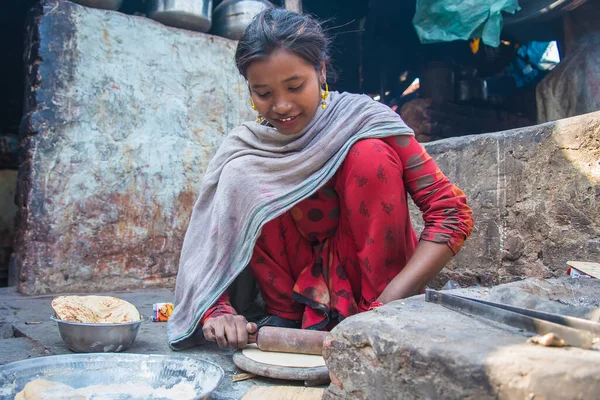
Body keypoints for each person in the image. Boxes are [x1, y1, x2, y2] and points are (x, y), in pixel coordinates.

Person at [167, 8, 473, 351]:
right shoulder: (250, 149)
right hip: (289, 306)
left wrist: (387, 308)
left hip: (378, 296)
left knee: (368, 154)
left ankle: (377, 309)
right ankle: (289, 316)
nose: (281, 106)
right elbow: (212, 249)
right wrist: (218, 309)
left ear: (321, 71)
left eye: (295, 86)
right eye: (263, 94)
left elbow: (451, 214)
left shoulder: (366, 120)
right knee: (246, 173)